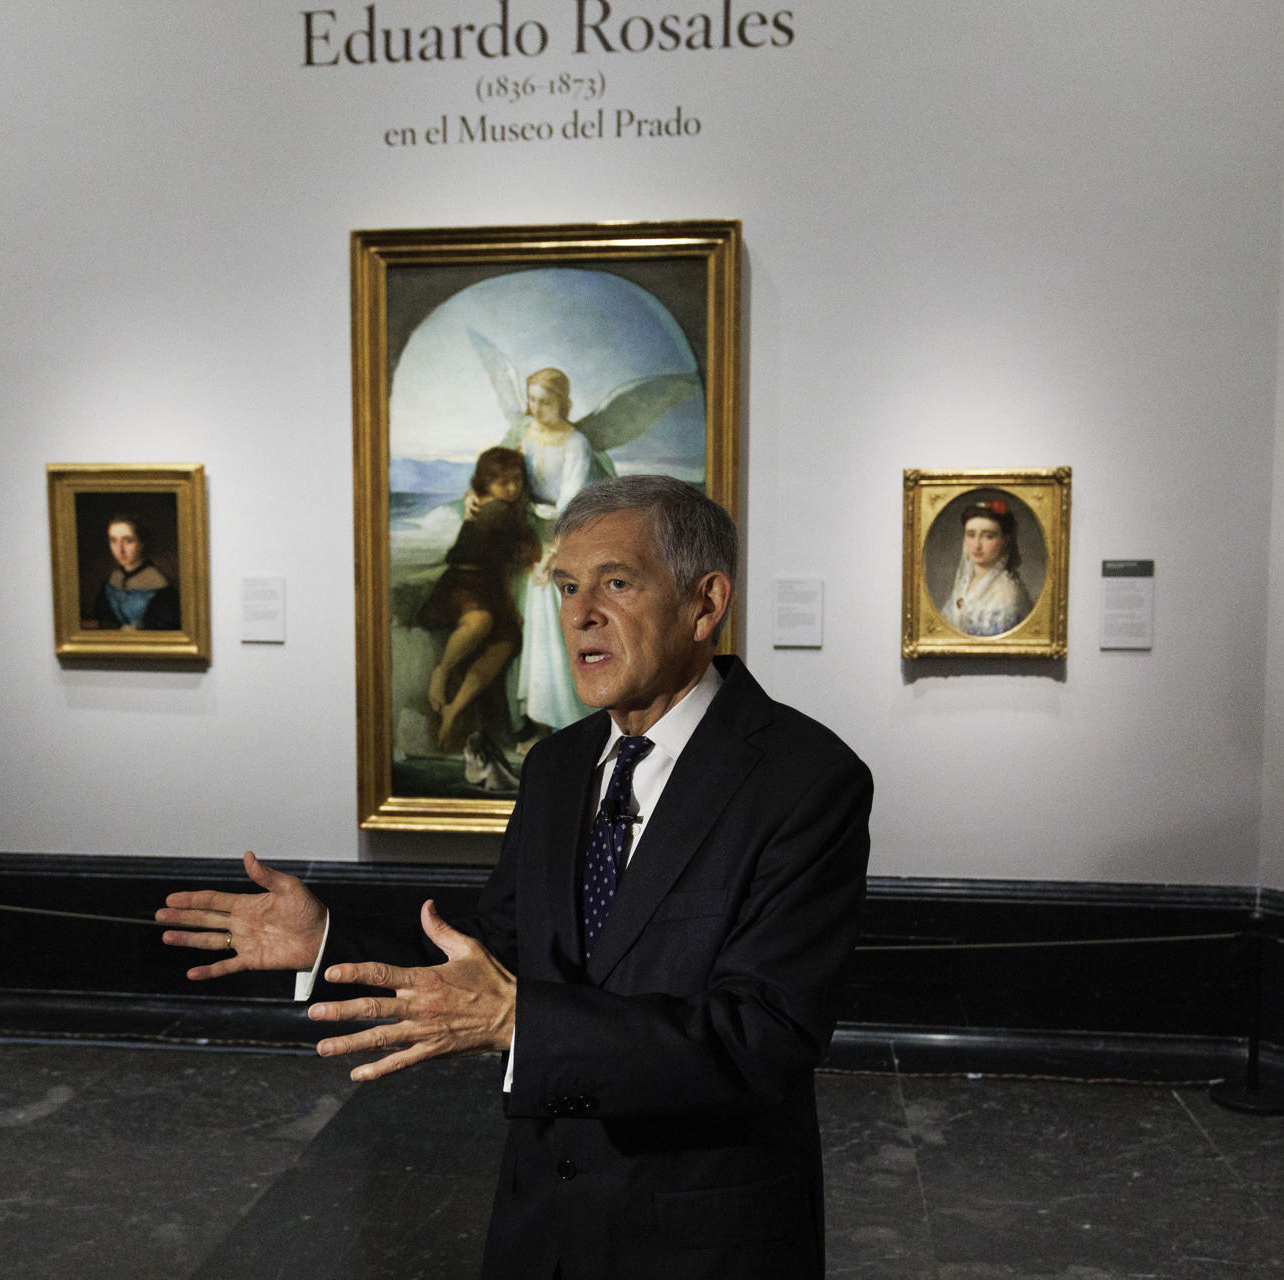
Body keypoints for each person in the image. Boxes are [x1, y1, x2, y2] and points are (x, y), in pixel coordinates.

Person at [158, 475, 873, 1279]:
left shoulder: (806, 781)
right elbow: (493, 958)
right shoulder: (558, 768)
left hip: (701, 1239)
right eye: (566, 585)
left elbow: (763, 1038)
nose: (577, 613)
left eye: (616, 582)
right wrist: (326, 940)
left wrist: (519, 1023)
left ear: (704, 603)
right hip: (542, 1229)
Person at [417, 447, 541, 752]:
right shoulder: (493, 509)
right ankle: (441, 672)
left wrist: (511, 608)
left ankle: (454, 709)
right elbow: (522, 555)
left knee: (505, 643)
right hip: (461, 582)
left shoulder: (506, 510)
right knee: (480, 621)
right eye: (502, 483)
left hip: (489, 586)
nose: (511, 489)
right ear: (486, 483)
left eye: (516, 481)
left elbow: (505, 568)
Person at [508, 368, 605, 747]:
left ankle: (561, 719)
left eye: (544, 401)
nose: (535, 408)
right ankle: (532, 718)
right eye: (531, 400)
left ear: (563, 402)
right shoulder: (524, 435)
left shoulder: (576, 443)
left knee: (549, 616)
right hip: (526, 536)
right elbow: (502, 474)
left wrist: (552, 555)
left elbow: (572, 504)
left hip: (566, 540)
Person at [940, 497, 1034, 636]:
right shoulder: (964, 583)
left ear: (1005, 541)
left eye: (989, 536)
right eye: (971, 535)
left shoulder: (1007, 592)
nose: (977, 545)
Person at [88, 514, 181, 630]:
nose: (120, 549)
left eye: (128, 541)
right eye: (113, 541)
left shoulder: (161, 590)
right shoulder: (110, 583)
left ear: (142, 543)